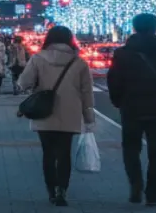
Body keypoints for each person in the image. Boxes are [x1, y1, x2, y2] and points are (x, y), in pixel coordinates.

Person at [107, 13, 156, 207]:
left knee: (131, 149)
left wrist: (118, 101)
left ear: (134, 28)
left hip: (131, 107)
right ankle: (152, 195)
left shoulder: (122, 54)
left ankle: (135, 185)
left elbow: (114, 80)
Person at [18, 26, 95, 207]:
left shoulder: (38, 59)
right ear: (70, 40)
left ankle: (51, 190)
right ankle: (62, 190)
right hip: (70, 112)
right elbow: (87, 92)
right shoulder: (79, 62)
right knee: (64, 153)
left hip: (44, 111)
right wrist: (89, 117)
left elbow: (23, 83)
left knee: (48, 153)